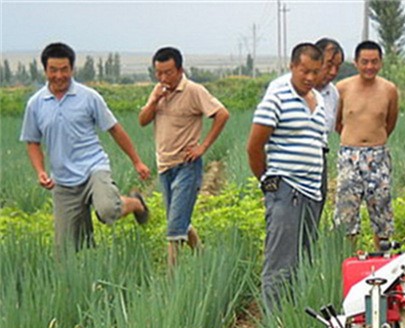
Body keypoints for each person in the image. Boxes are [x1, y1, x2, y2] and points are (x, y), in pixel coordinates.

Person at [20, 42, 150, 251]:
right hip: (63, 180)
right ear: (45, 70)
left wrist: (137, 161)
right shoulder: (36, 104)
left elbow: (115, 129)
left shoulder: (89, 97)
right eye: (53, 70)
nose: (59, 75)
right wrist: (41, 171)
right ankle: (90, 272)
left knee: (107, 210)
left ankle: (135, 203)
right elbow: (33, 142)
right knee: (65, 251)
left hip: (93, 168)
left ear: (72, 69)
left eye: (64, 69)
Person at [247, 43, 327, 312]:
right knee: (281, 262)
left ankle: (293, 317)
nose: (310, 77)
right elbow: (254, 146)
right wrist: (268, 182)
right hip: (286, 190)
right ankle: (275, 326)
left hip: (312, 192)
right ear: (292, 66)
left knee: (303, 260)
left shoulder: (320, 100)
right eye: (304, 71)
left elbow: (319, 144)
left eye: (315, 72)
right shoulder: (277, 97)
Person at [138, 47, 229, 267]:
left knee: (174, 228)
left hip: (187, 166)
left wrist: (203, 147)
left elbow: (222, 114)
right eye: (158, 73)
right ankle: (203, 258)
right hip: (164, 167)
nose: (163, 77)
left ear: (180, 69)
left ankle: (172, 281)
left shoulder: (194, 91)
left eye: (168, 72)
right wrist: (154, 101)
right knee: (179, 221)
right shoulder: (157, 91)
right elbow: (142, 120)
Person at [334, 41, 399, 248]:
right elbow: (336, 122)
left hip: (378, 156)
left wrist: (373, 141)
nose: (369, 67)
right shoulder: (342, 88)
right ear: (356, 63)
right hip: (349, 156)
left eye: (374, 62)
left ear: (380, 63)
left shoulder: (389, 89)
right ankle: (347, 259)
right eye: (365, 62)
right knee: (346, 214)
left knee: (381, 212)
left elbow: (390, 122)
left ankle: (383, 260)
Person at [264, 38, 344, 202]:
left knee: (311, 220)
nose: (333, 72)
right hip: (286, 171)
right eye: (329, 65)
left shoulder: (332, 94)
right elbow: (259, 141)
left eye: (338, 67)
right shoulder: (279, 88)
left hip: (316, 167)